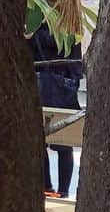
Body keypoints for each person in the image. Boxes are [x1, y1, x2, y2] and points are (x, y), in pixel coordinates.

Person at [30, 20, 80, 197]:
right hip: (63, 85)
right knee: (62, 144)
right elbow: (77, 62)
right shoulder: (69, 20)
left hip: (43, 85)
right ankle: (60, 191)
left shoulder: (33, 22)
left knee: (43, 141)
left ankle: (50, 188)